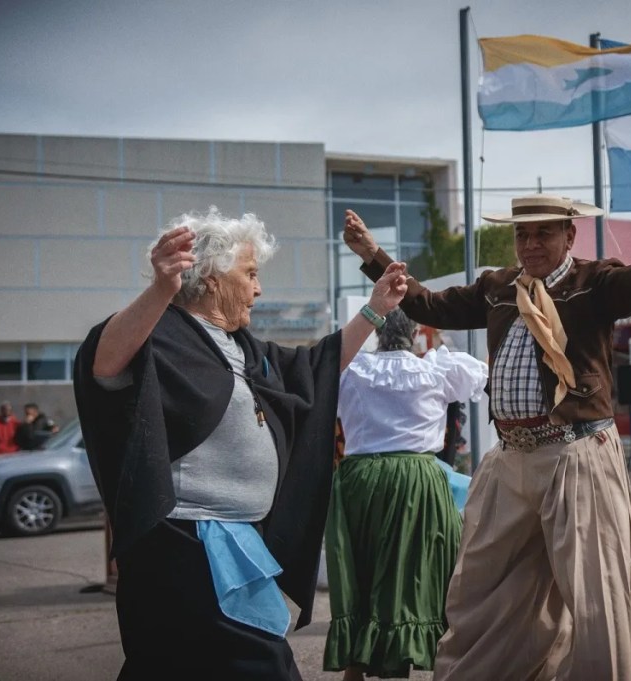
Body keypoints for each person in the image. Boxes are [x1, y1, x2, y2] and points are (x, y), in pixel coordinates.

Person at [344, 173, 631, 680]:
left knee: (595, 597)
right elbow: (426, 304)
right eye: (522, 235)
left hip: (575, 457)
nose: (530, 244)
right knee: (479, 591)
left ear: (569, 237)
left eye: (543, 234)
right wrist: (374, 254)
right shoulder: (497, 288)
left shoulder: (593, 283)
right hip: (511, 460)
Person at [73, 206, 407, 680]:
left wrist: (375, 309)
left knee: (169, 665)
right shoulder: (161, 332)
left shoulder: (242, 346)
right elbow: (103, 364)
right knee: (260, 664)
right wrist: (160, 289)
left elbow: (317, 369)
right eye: (250, 273)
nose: (258, 287)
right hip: (185, 542)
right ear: (210, 279)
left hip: (230, 538)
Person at [323, 309, 488, 680]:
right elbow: (478, 375)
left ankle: (357, 664)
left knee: (363, 569)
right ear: (415, 332)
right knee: (423, 570)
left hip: (360, 481)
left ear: (377, 333)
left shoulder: (353, 370)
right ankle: (426, 656)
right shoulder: (435, 369)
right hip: (418, 479)